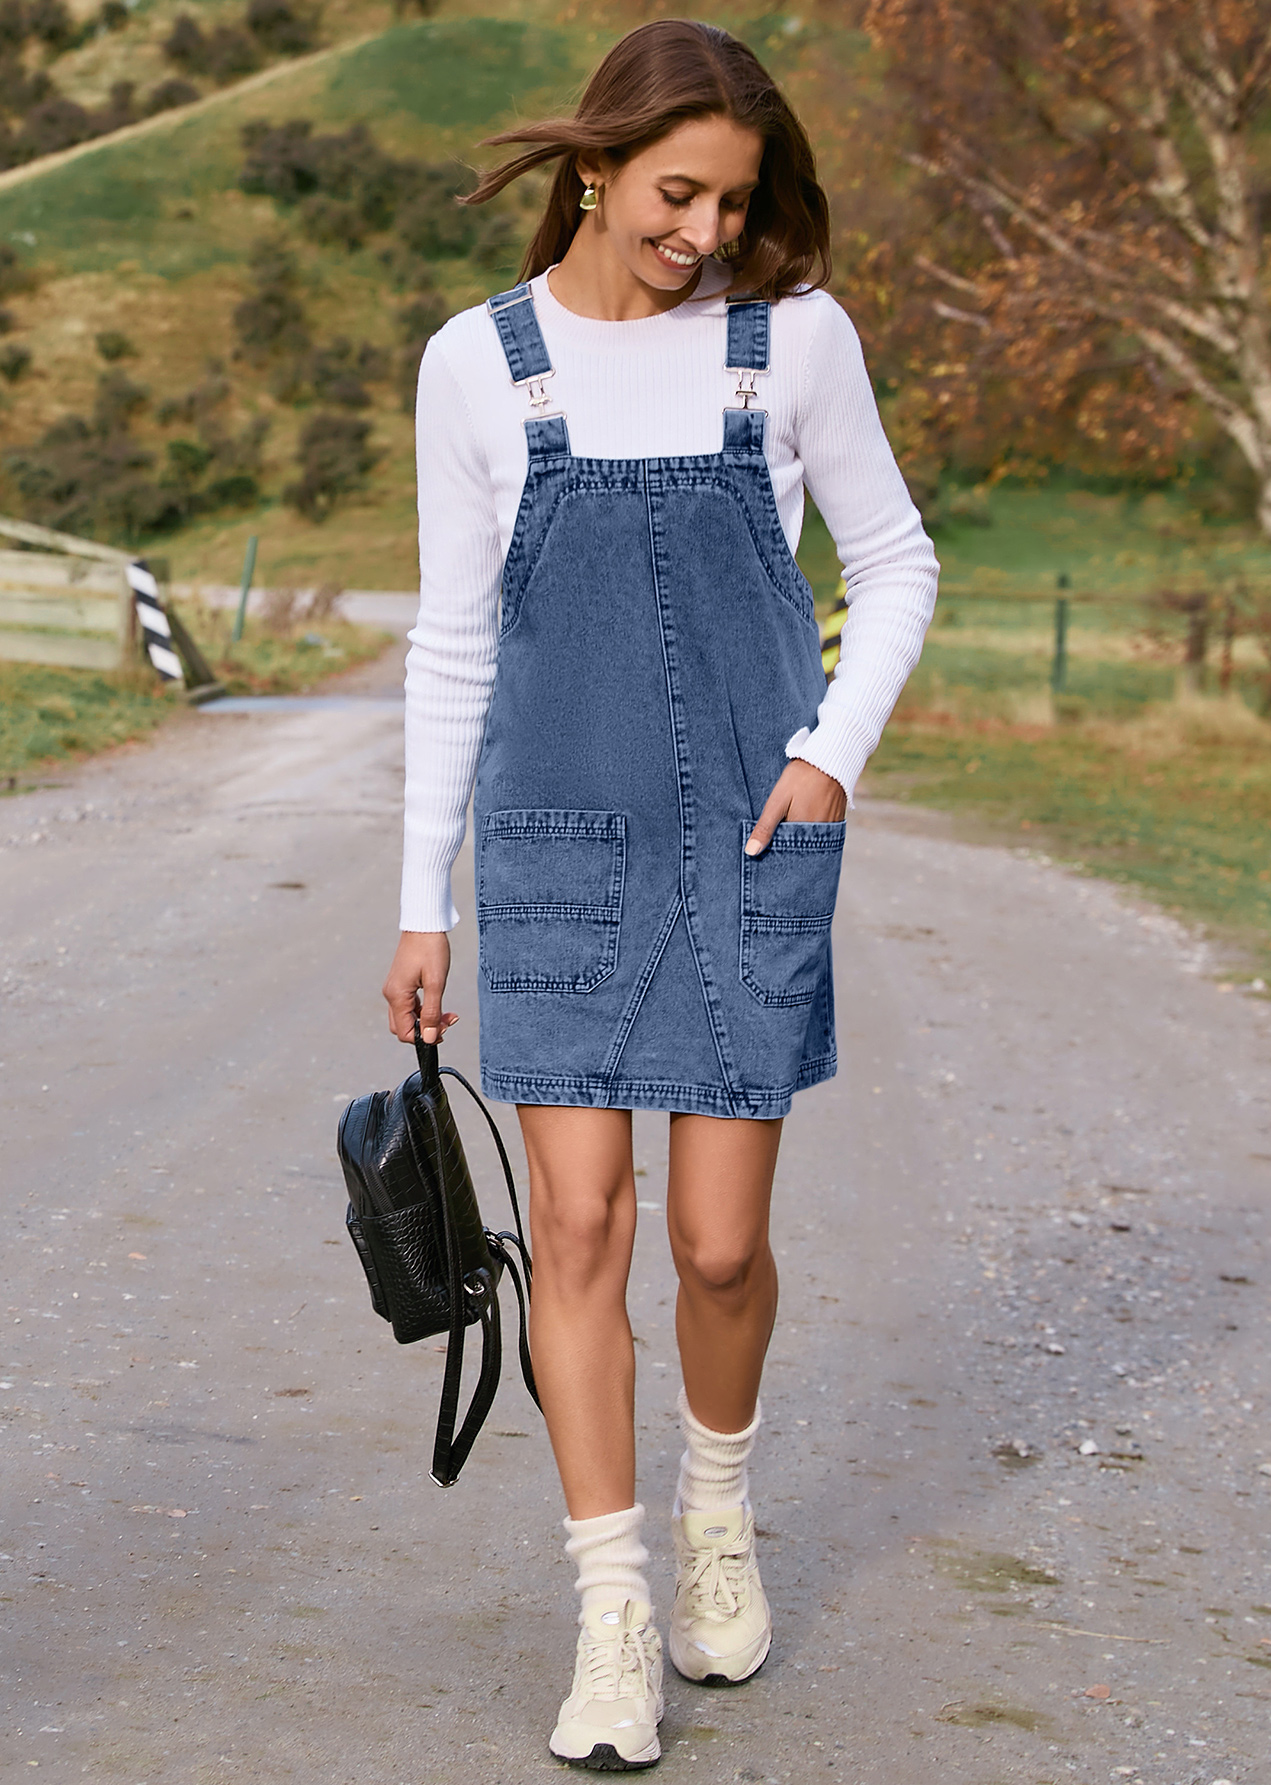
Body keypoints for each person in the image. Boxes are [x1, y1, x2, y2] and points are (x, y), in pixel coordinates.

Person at [382, 18, 937, 1771]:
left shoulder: (796, 343)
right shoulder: (479, 363)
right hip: (549, 839)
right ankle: (612, 1606)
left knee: (713, 1241)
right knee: (585, 1233)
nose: (704, 230)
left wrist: (833, 746)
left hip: (751, 841)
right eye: (678, 191)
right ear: (599, 162)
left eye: (734, 199)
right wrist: (422, 900)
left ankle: (717, 1501)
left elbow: (900, 560)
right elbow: (453, 640)